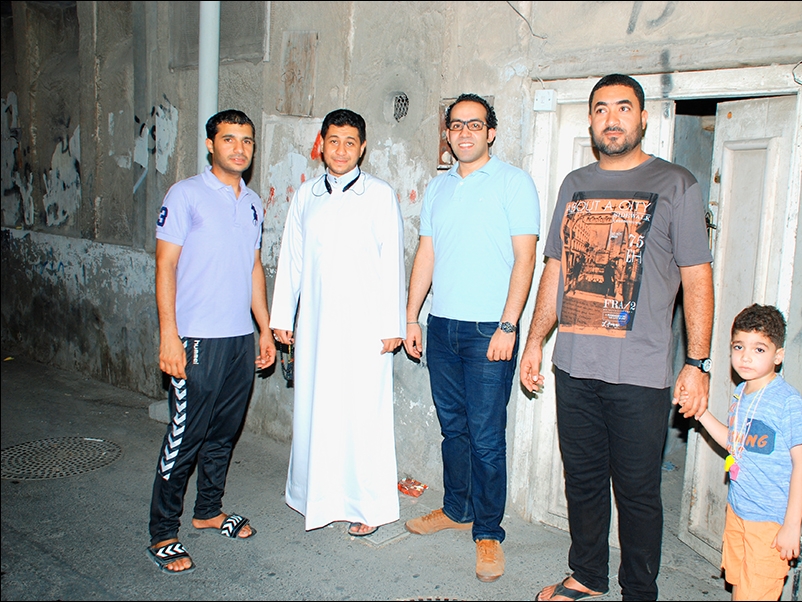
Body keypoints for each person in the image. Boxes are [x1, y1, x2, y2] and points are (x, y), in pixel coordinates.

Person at [521, 74, 715, 601]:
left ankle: (638, 591)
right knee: (582, 481)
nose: (612, 119)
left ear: (643, 118)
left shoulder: (675, 183)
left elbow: (697, 276)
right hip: (574, 364)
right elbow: (556, 267)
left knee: (637, 492)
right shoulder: (574, 183)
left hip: (640, 373)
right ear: (591, 120)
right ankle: (587, 574)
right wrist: (535, 340)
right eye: (602, 109)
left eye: (624, 108)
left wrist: (697, 362)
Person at [403, 93, 541, 582]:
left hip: (489, 331)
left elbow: (525, 258)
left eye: (474, 124)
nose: (464, 132)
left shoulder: (513, 183)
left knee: (485, 438)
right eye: (456, 125)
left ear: (491, 132)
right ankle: (456, 509)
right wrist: (412, 317)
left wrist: (508, 325)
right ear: (447, 133)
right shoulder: (437, 187)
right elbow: (427, 254)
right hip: (442, 326)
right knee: (454, 430)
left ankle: (488, 532)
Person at [148, 109, 276, 574]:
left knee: (223, 434)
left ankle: (208, 511)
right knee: (185, 437)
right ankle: (163, 531)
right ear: (210, 144)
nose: (239, 148)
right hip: (195, 338)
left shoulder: (254, 202)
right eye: (229, 139)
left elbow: (253, 267)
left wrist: (264, 328)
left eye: (246, 140)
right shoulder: (185, 195)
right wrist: (170, 336)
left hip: (239, 339)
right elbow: (164, 265)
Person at [269, 108, 406, 538]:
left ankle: (368, 504)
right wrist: (282, 315)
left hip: (366, 327)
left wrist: (393, 325)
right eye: (333, 141)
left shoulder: (379, 195)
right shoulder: (305, 196)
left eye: (350, 142)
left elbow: (392, 261)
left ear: (362, 148)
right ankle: (316, 497)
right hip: (315, 324)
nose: (341, 150)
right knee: (316, 410)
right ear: (321, 145)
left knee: (363, 414)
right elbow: (291, 258)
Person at [691, 304, 802, 601]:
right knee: (740, 585)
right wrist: (701, 413)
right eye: (739, 346)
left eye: (759, 349)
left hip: (769, 521)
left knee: (757, 591)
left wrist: (791, 525)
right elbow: (734, 443)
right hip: (739, 510)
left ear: (778, 356)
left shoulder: (786, 402)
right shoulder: (741, 393)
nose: (745, 356)